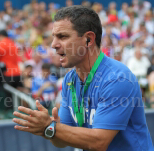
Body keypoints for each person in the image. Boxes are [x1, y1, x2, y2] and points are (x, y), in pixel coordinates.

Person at [13, 6, 153, 151]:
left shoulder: (118, 79)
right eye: (54, 36)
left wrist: (50, 127)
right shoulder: (69, 80)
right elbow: (60, 142)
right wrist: (47, 130)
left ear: (88, 39)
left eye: (63, 36)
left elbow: (99, 142)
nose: (54, 44)